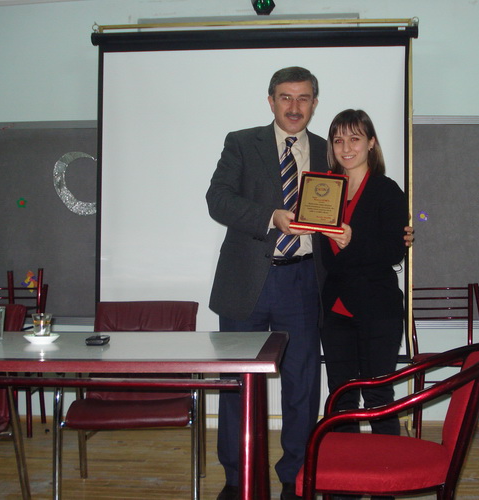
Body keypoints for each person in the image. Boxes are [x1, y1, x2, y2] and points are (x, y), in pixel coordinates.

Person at [206, 66, 326, 500]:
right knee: (238, 384)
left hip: (303, 281)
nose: (294, 107)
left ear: (315, 103)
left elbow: (353, 203)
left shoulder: (328, 150)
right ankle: (237, 477)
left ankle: (296, 476)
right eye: (285, 97)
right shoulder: (242, 143)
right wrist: (270, 217)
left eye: (303, 98)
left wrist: (391, 232)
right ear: (271, 101)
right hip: (246, 282)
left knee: (302, 385)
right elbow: (217, 200)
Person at [320, 109, 407, 441]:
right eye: (338, 140)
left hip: (377, 309)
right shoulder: (325, 189)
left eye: (354, 139)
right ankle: (346, 470)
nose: (346, 148)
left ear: (371, 142)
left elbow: (393, 251)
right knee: (341, 398)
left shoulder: (387, 190)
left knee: (377, 397)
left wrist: (353, 239)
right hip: (336, 309)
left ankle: (386, 471)